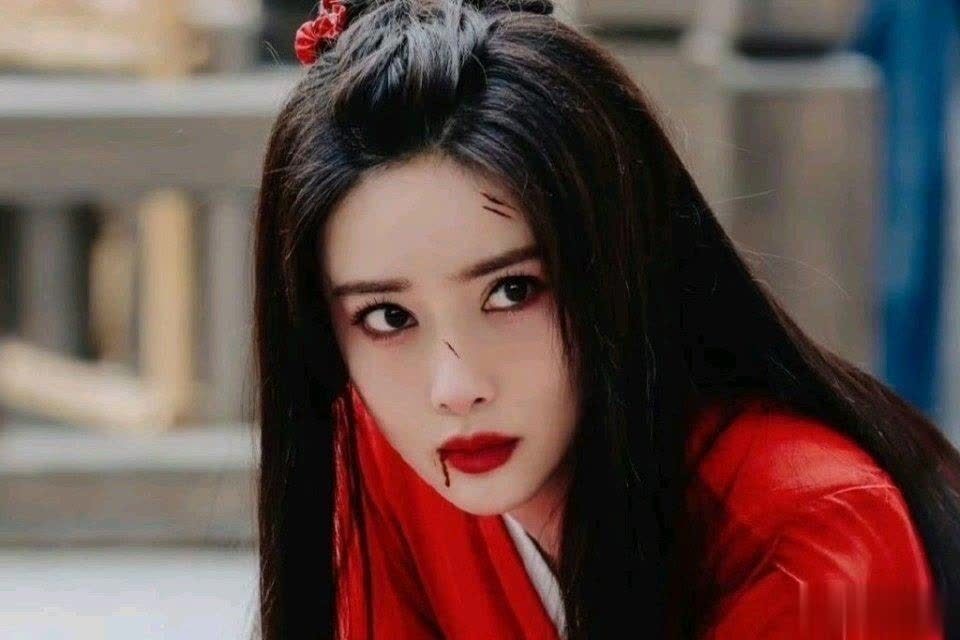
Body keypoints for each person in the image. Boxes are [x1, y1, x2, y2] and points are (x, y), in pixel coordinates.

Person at [252, 1, 960, 638]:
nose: (456, 387)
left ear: (620, 260)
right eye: (387, 316)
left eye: (512, 292)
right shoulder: (389, 450)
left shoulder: (815, 529)